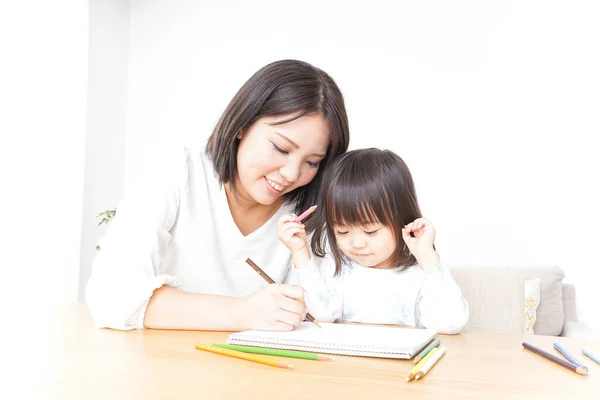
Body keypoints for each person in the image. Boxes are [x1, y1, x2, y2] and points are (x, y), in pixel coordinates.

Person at [85, 59, 350, 331]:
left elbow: (327, 313)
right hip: (163, 364)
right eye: (281, 148)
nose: (292, 174)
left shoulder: (313, 210)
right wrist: (240, 313)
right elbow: (110, 295)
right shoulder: (180, 172)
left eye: (312, 162)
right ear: (242, 126)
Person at [277, 148, 469, 334]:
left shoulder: (419, 275)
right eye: (342, 231)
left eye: (371, 231)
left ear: (401, 219)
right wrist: (299, 250)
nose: (357, 243)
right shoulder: (338, 270)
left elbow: (450, 324)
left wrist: (427, 256)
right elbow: (320, 314)